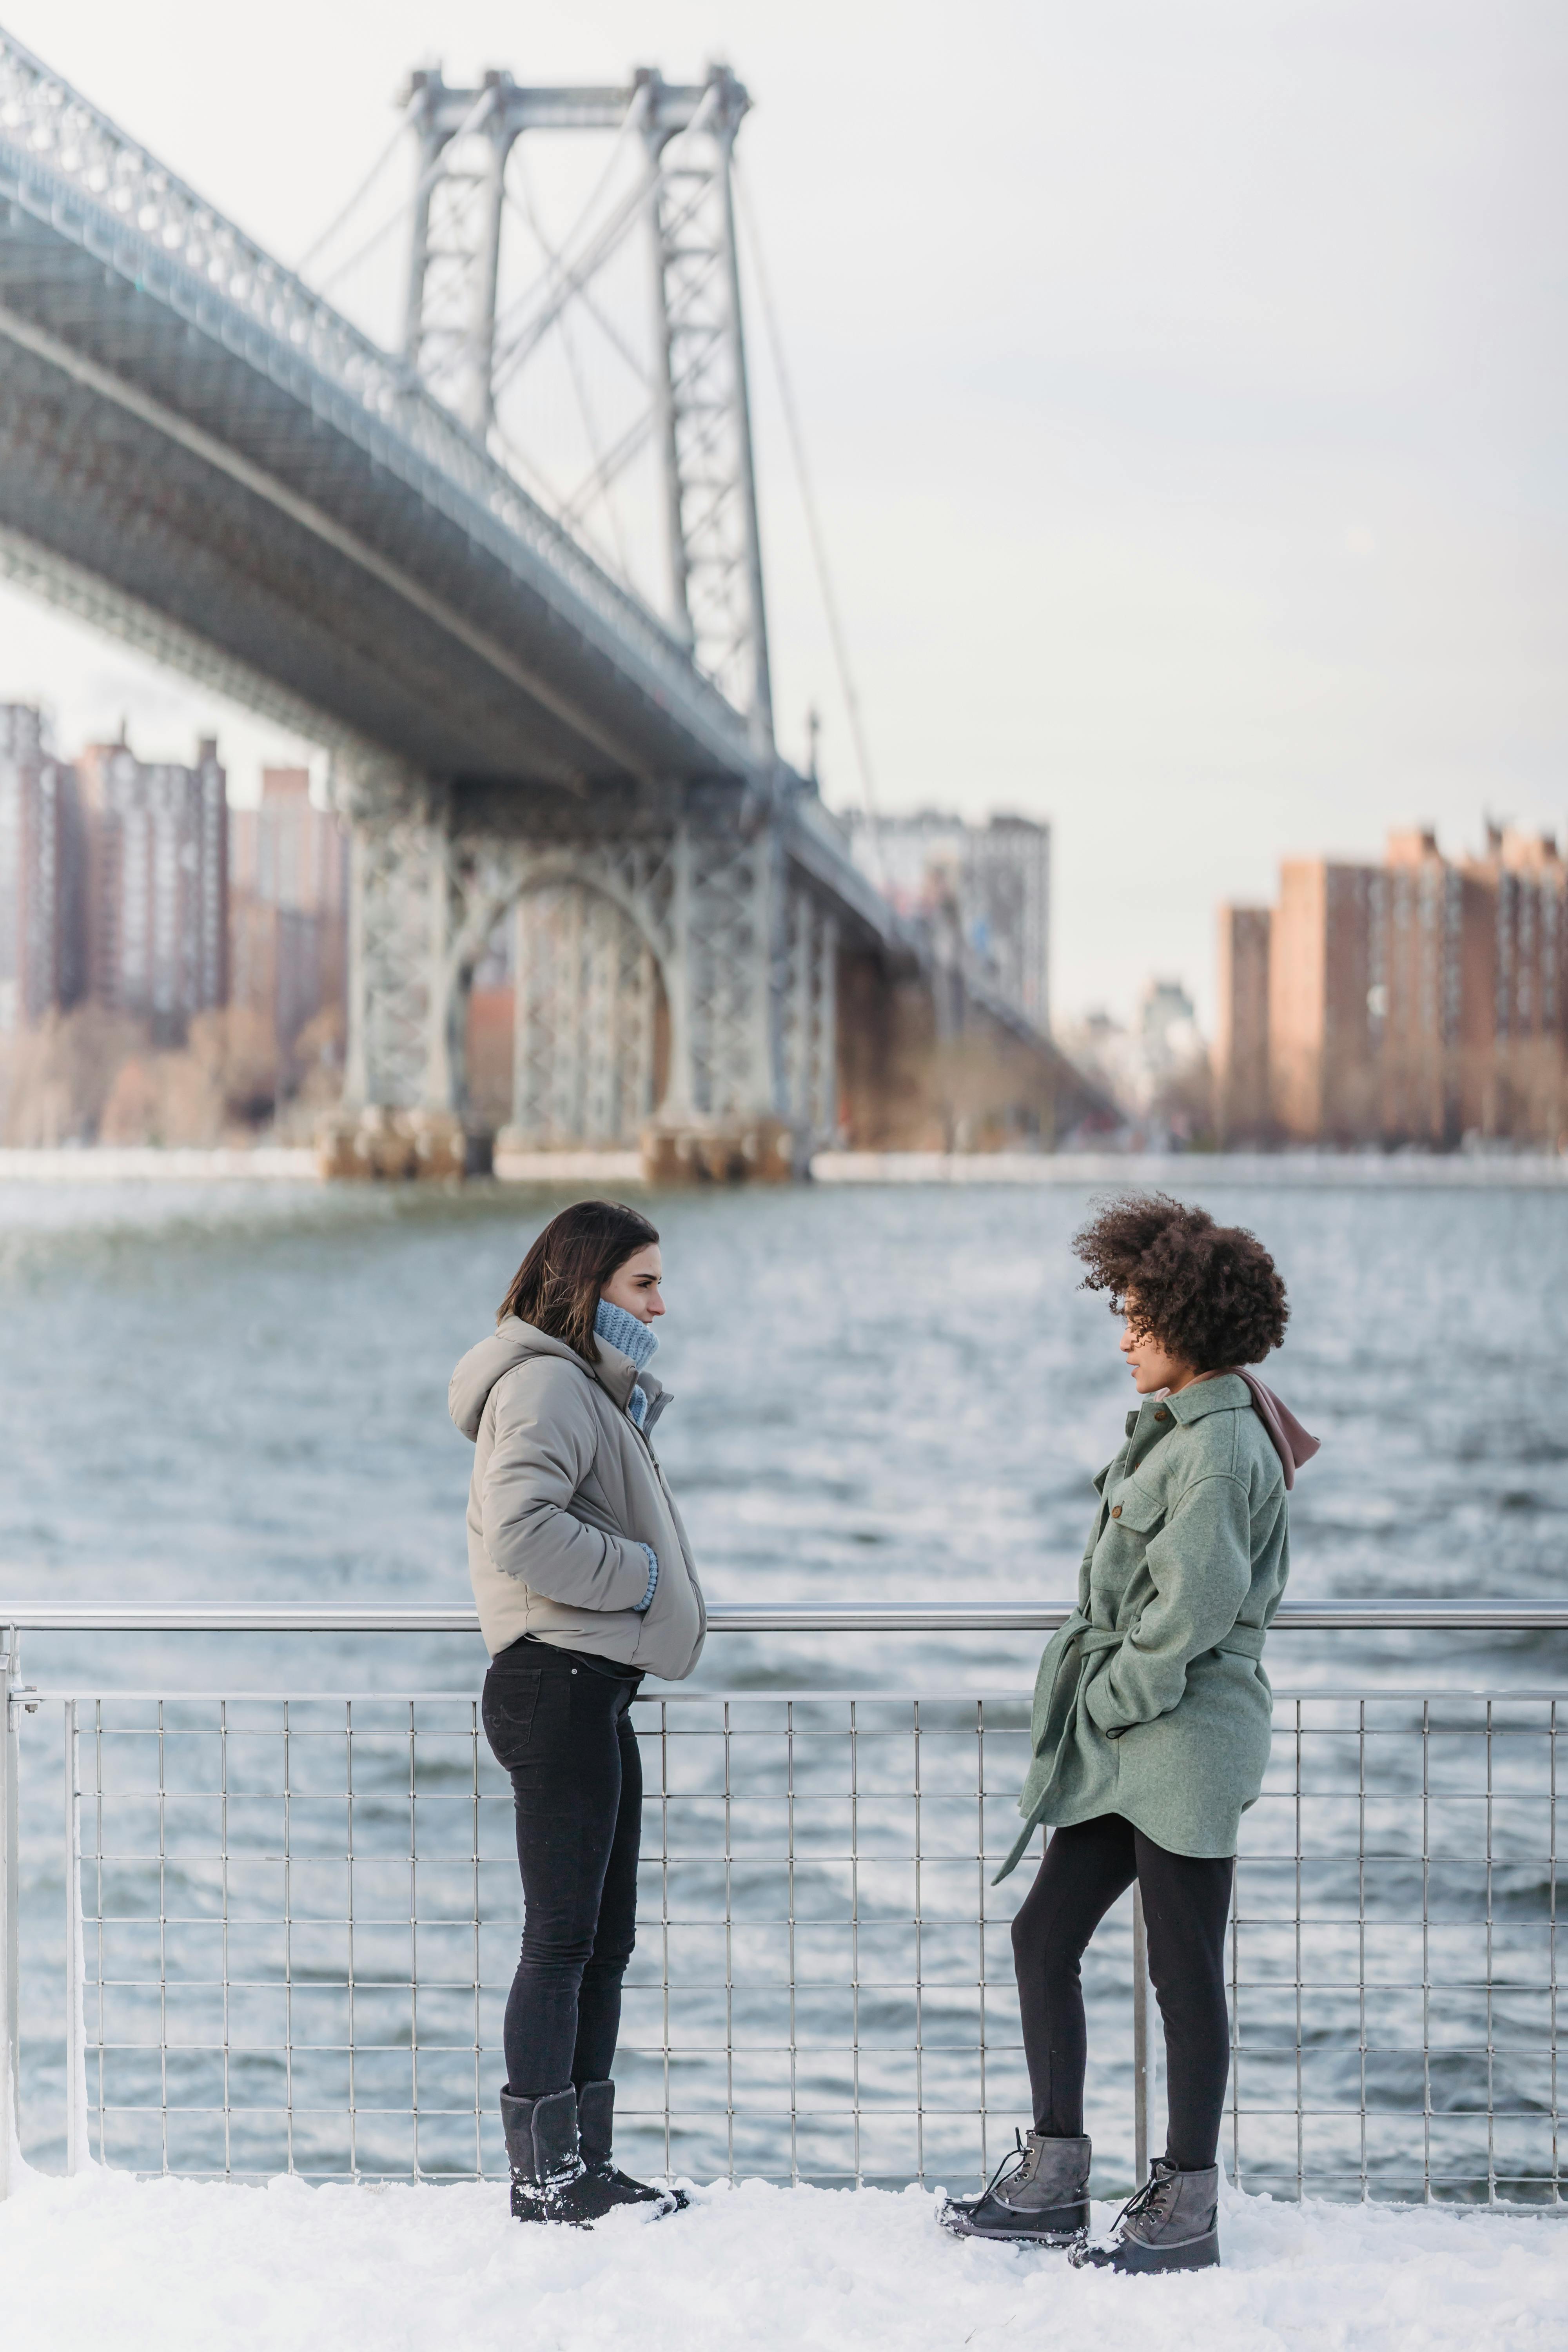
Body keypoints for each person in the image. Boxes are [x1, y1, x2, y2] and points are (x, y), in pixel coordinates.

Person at [943, 1194, 1317, 2273]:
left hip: (1181, 1739)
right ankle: (1056, 2177)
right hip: (1136, 1744)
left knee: (1186, 1972)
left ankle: (1184, 2207)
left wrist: (1101, 1702)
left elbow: (1189, 1618)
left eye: (1139, 1320)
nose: (1123, 1339)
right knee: (1043, 1936)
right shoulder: (1186, 1427)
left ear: (1188, 1328)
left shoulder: (1217, 1451)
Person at [448, 1198, 706, 2225]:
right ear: (587, 1286)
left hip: (591, 1688)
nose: (661, 1304)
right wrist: (643, 1575)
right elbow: (520, 1530)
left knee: (604, 1940)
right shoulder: (549, 1384)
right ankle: (543, 2175)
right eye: (643, 1285)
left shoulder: (588, 1388)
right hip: (554, 1683)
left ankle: (585, 2162)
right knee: (562, 1939)